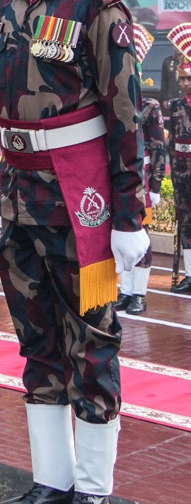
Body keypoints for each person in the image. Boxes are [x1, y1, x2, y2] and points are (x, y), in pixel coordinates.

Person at [0, 0, 176, 498]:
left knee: (93, 339)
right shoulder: (1, 2)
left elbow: (128, 119)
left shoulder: (99, 7)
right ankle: (51, 481)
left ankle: (91, 487)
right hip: (21, 202)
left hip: (85, 204)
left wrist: (130, 221)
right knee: (37, 342)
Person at [120, 25, 161, 313]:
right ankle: (124, 290)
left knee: (142, 233)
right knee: (122, 227)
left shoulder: (150, 107)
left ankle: (139, 292)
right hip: (122, 174)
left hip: (143, 175)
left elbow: (159, 147)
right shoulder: (118, 101)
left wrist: (156, 185)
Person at [165, 24, 191, 295]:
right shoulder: (174, 106)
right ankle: (189, 275)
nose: (184, 83)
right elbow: (171, 141)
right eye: (182, 78)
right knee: (185, 223)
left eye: (188, 78)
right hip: (182, 173)